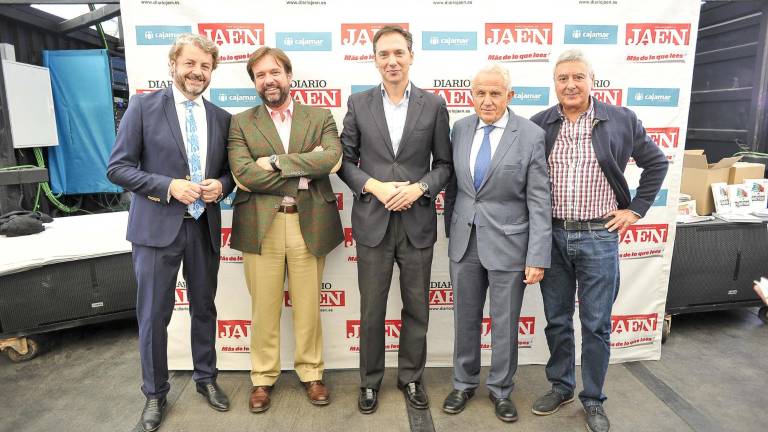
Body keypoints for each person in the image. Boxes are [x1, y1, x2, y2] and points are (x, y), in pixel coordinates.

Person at [529, 49, 668, 432]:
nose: (570, 85)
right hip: (552, 236)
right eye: (562, 78)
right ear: (554, 84)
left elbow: (657, 163)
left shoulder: (621, 119)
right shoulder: (539, 124)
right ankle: (561, 387)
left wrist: (635, 210)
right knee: (557, 320)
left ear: (592, 80)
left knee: (595, 324)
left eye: (578, 77)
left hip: (599, 236)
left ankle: (593, 399)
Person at [107, 33, 233, 432]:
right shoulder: (143, 107)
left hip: (203, 226)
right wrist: (167, 186)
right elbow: (117, 168)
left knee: (204, 308)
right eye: (190, 63)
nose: (197, 72)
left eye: (205, 66)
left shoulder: (221, 118)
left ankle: (206, 378)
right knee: (153, 314)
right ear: (173, 64)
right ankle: (154, 393)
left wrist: (220, 186)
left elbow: (229, 173)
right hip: (155, 230)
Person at [337, 25, 452, 413]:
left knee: (417, 307)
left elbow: (444, 164)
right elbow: (344, 162)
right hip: (373, 221)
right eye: (384, 54)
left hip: (417, 223)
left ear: (411, 56)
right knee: (372, 308)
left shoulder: (433, 106)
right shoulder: (359, 103)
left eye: (399, 53)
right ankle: (369, 382)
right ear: (374, 60)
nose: (392, 61)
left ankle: (411, 378)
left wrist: (419, 188)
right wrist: (374, 186)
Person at [227, 46, 343, 414]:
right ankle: (262, 377)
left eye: (274, 72)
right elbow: (244, 174)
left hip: (309, 223)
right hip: (262, 226)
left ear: (289, 76)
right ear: (255, 83)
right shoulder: (241, 122)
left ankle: (312, 372)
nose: (269, 80)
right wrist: (303, 173)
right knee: (264, 308)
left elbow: (331, 159)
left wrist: (275, 162)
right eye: (260, 75)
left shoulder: (320, 116)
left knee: (308, 306)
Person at [441, 64, 551, 422]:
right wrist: (452, 230)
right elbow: (454, 188)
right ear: (471, 95)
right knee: (465, 318)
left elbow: (539, 200)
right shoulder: (460, 129)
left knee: (504, 322)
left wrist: (537, 255)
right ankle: (463, 383)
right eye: (480, 93)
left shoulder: (531, 135)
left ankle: (502, 390)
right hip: (465, 242)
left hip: (509, 244)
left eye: (495, 93)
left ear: (509, 96)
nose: (487, 101)